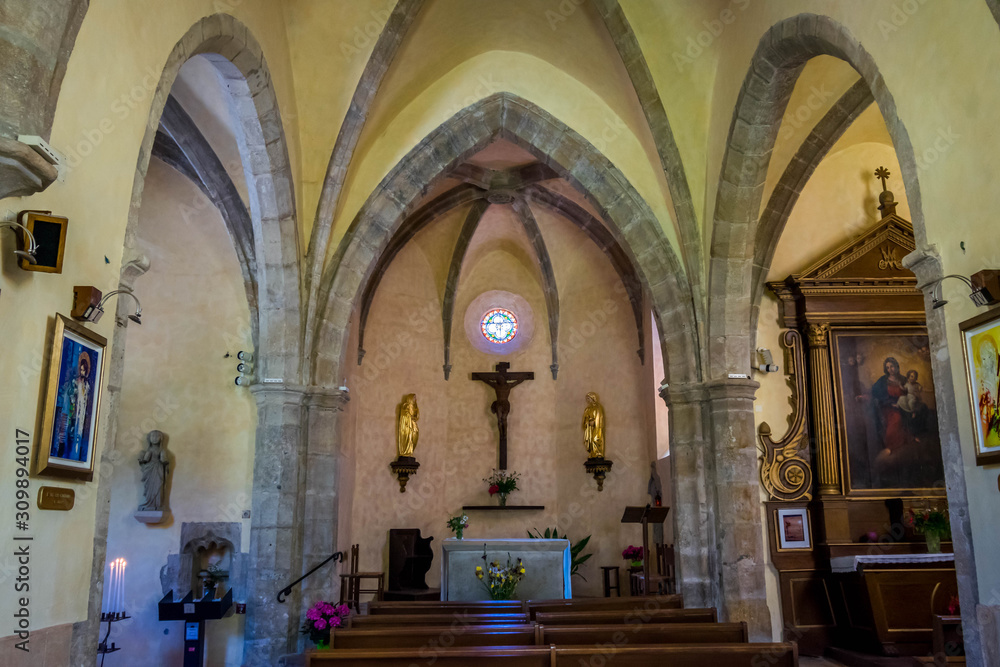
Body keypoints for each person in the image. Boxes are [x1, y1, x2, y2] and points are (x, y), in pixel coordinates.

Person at [54, 350, 93, 461]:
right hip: (72, 412)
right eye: (81, 369)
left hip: (82, 415)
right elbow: (70, 395)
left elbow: (87, 400)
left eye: (84, 370)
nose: (82, 372)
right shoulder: (74, 382)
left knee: (78, 436)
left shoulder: (87, 385)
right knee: (68, 433)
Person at [138, 430, 169, 511]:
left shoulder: (162, 450)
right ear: (149, 438)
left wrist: (165, 460)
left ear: (161, 439)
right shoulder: (148, 451)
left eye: (157, 436)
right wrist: (141, 459)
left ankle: (157, 504)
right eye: (153, 436)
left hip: (158, 470)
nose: (155, 438)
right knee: (149, 487)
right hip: (149, 471)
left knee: (158, 486)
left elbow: (163, 460)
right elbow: (145, 460)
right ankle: (149, 503)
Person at [582, 392, 605, 458]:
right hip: (590, 428)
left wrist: (594, 422)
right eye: (587, 399)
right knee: (590, 440)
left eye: (588, 398)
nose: (588, 400)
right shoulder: (588, 409)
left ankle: (598, 453)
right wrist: (587, 422)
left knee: (595, 439)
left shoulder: (598, 407)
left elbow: (599, 417)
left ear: (593, 398)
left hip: (597, 428)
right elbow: (585, 418)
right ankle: (592, 453)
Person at [397, 394, 419, 458]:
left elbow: (416, 416)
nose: (415, 400)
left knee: (415, 435)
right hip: (408, 425)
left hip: (413, 424)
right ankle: (406, 451)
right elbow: (406, 416)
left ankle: (410, 450)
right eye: (414, 398)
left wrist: (416, 406)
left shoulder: (414, 407)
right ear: (410, 398)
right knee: (408, 436)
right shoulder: (406, 406)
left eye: (415, 398)